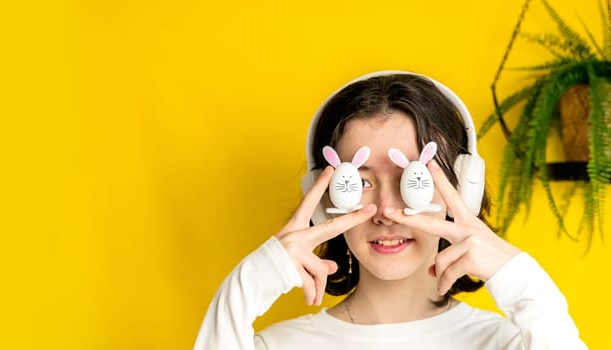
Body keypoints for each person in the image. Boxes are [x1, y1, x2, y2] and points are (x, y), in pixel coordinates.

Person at [193, 72, 586, 349]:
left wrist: (523, 280)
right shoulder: (275, 347)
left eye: (412, 180)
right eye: (358, 182)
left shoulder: (510, 344)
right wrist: (245, 286)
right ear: (324, 199)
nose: (385, 210)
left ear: (463, 188)